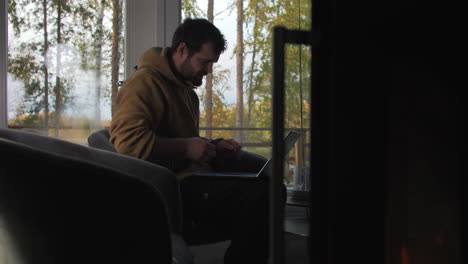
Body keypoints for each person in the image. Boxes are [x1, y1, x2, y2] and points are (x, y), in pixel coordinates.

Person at [110, 18, 281, 264]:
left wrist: (214, 145)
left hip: (195, 175)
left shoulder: (184, 88)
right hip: (172, 186)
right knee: (261, 196)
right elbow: (128, 144)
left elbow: (179, 136)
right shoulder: (143, 83)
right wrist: (187, 148)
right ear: (182, 50)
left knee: (270, 180)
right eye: (205, 61)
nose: (209, 70)